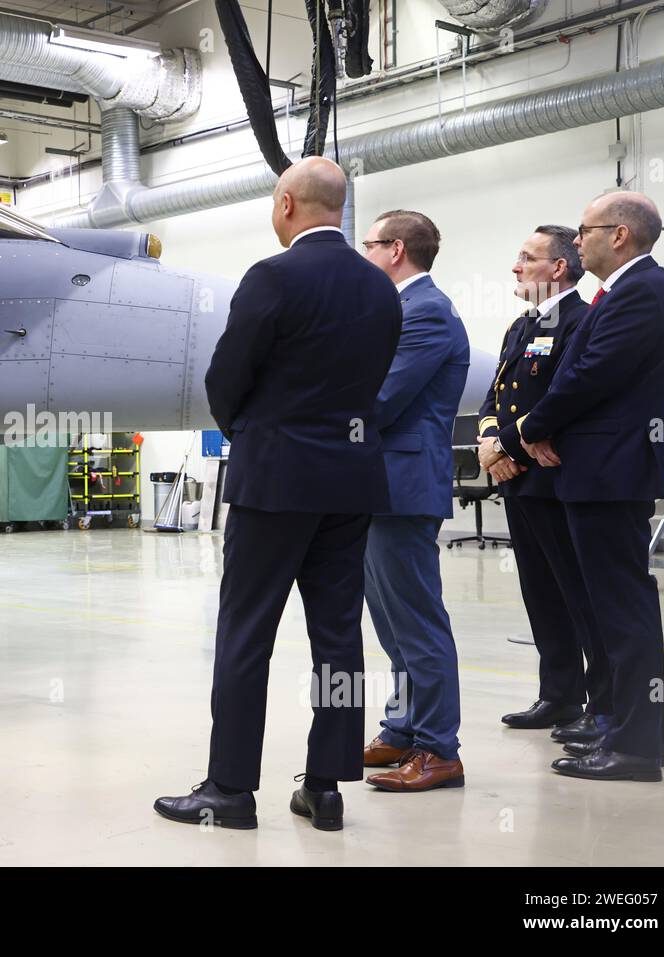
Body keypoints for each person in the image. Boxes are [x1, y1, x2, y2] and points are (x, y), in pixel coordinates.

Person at [154, 157, 402, 831]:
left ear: (286, 204)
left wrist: (254, 432)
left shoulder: (272, 276)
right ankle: (325, 786)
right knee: (338, 635)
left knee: (246, 632)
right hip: (351, 481)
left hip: (276, 480)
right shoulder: (382, 290)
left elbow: (226, 376)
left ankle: (231, 789)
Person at [499, 192, 664, 782]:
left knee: (622, 611)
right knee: (609, 611)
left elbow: (586, 378)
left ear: (621, 234)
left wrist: (524, 432)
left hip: (610, 472)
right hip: (596, 471)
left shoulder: (642, 293)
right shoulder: (617, 294)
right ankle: (617, 727)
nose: (578, 242)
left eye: (585, 230)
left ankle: (633, 746)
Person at [478, 227, 612, 741]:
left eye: (526, 258)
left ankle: (603, 705)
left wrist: (508, 445)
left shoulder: (582, 320)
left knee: (580, 594)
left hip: (556, 477)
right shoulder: (520, 326)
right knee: (540, 591)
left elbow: (564, 395)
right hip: (517, 476)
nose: (515, 267)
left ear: (558, 268)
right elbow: (497, 394)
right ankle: (558, 694)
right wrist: (492, 443)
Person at [357, 210, 470, 793]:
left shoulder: (425, 311)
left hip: (403, 487)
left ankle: (438, 749)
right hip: (380, 486)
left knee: (419, 623)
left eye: (369, 244)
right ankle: (403, 729)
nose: (363, 253)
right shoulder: (401, 308)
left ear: (396, 249)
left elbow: (381, 399)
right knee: (393, 624)